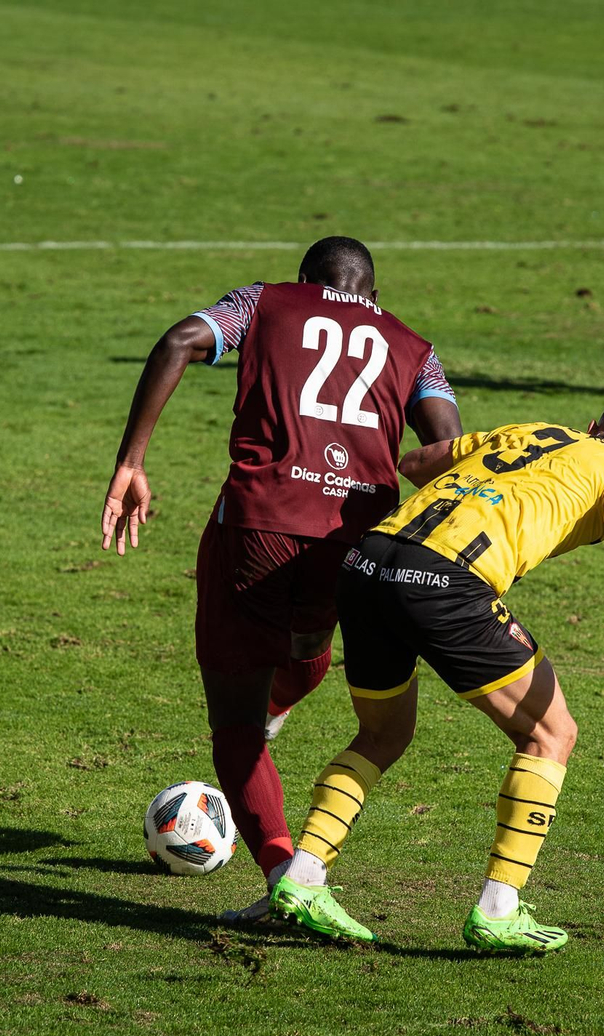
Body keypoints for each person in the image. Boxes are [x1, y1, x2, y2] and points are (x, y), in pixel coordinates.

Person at [100, 237, 462, 923]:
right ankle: (271, 727)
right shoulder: (414, 347)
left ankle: (282, 875)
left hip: (257, 526)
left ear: (306, 281)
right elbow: (445, 441)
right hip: (353, 543)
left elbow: (181, 340)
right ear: (374, 296)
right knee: (303, 649)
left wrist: (133, 460)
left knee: (233, 725)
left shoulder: (263, 303)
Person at [269, 386, 604, 954]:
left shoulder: (531, 432)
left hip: (368, 562)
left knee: (382, 734)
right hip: (447, 583)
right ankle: (499, 908)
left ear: (592, 424)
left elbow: (415, 463)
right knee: (551, 734)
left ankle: (304, 876)